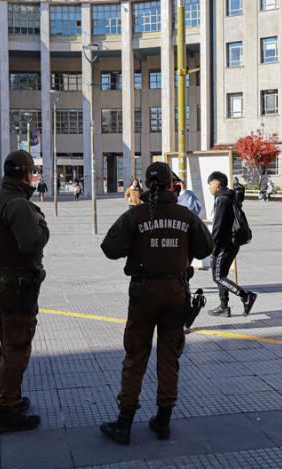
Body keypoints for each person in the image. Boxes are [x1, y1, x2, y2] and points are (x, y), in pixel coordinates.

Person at [99, 162, 214, 445]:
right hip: (176, 292)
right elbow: (206, 248)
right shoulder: (185, 215)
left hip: (143, 293)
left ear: (147, 184)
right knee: (169, 357)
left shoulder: (136, 215)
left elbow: (110, 248)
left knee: (135, 355)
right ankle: (163, 421)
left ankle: (124, 423)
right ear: (172, 184)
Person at [0, 150, 49, 434]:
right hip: (15, 285)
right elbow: (30, 243)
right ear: (26, 175)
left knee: (7, 345)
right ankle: (7, 409)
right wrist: (42, 224)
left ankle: (11, 398)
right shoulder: (19, 205)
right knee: (17, 347)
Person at [207, 171, 258, 318]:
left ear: (217, 184)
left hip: (224, 244)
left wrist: (212, 245)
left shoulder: (222, 199)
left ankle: (245, 296)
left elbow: (218, 226)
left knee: (218, 277)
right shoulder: (228, 196)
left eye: (210, 184)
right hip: (231, 243)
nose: (209, 187)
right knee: (221, 275)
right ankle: (224, 307)